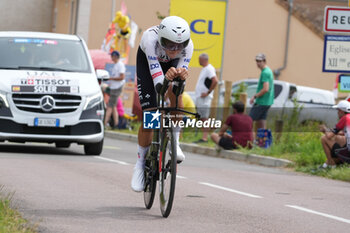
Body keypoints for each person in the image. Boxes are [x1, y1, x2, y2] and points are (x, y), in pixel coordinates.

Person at [131, 16, 193, 192]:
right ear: (160, 39)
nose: (175, 50)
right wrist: (165, 78)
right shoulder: (149, 40)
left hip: (172, 68)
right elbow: (158, 84)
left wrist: (180, 77)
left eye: (179, 46)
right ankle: (140, 164)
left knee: (177, 90)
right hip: (149, 65)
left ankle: (175, 140)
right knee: (151, 115)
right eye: (169, 44)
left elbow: (179, 82)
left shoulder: (188, 47)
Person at [194, 53, 218, 143]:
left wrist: (208, 93)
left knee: (204, 117)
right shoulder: (205, 69)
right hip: (201, 97)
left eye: (199, 60)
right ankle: (210, 130)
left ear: (204, 60)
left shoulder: (209, 69)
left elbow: (215, 80)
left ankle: (204, 138)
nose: (199, 61)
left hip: (204, 98)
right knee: (201, 117)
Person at [318, 100, 350, 169]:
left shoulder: (344, 118)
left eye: (338, 111)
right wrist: (328, 130)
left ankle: (331, 164)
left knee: (324, 138)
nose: (337, 113)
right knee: (338, 137)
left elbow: (329, 136)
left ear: (341, 111)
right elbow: (343, 133)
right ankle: (335, 161)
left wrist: (325, 129)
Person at [249, 53, 274, 132]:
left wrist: (255, 96)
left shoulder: (265, 73)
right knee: (261, 122)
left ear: (264, 61)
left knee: (249, 121)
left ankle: (249, 139)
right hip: (267, 102)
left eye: (260, 61)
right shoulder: (268, 70)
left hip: (262, 102)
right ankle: (262, 141)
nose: (258, 63)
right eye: (257, 61)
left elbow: (265, 89)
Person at [104, 50, 125, 129]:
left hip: (117, 87)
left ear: (115, 56)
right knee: (113, 107)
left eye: (112, 56)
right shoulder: (116, 65)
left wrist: (111, 78)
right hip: (114, 87)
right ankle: (116, 124)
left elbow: (122, 77)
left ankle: (105, 123)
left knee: (110, 106)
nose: (111, 57)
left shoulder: (120, 65)